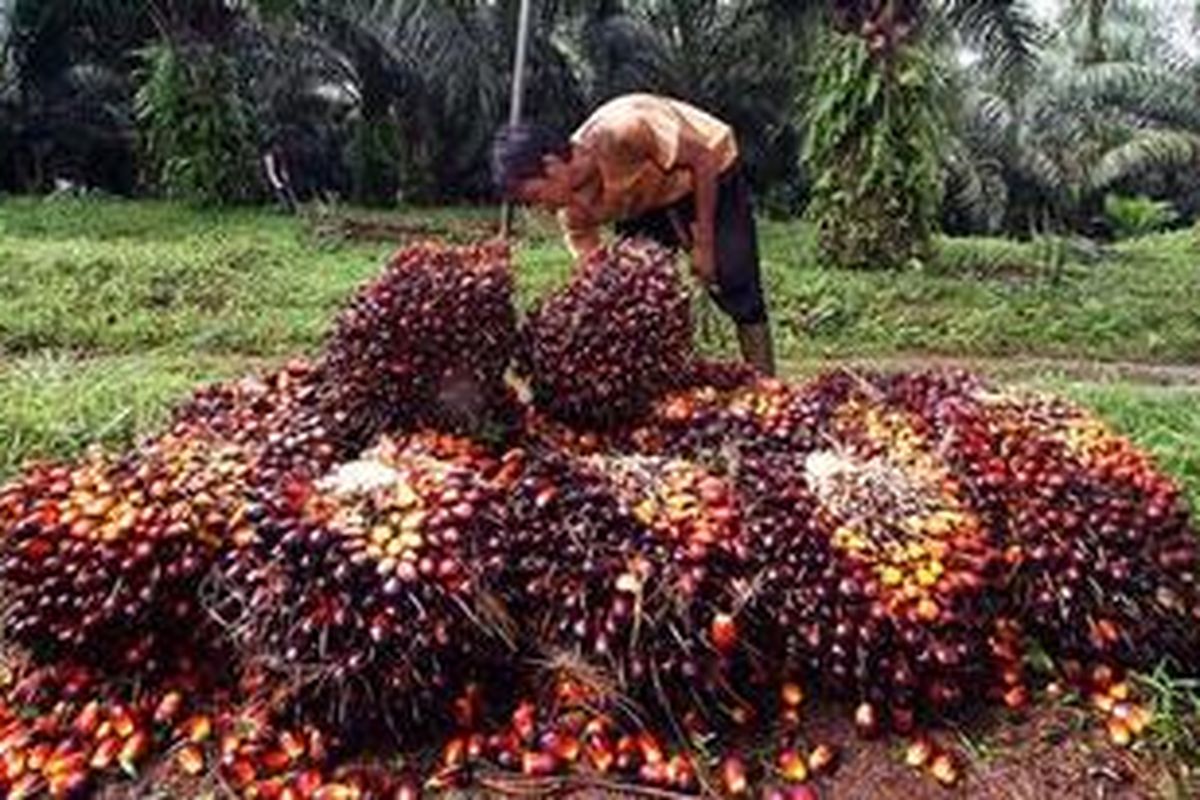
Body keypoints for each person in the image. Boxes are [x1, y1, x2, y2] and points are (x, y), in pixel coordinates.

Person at [492, 93, 775, 375]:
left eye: (536, 196)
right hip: (645, 199)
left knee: (735, 279)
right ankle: (664, 380)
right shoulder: (573, 213)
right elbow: (597, 271)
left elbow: (703, 158)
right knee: (641, 295)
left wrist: (704, 245)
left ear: (552, 165)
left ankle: (767, 385)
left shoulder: (624, 131)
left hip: (707, 166)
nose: (542, 208)